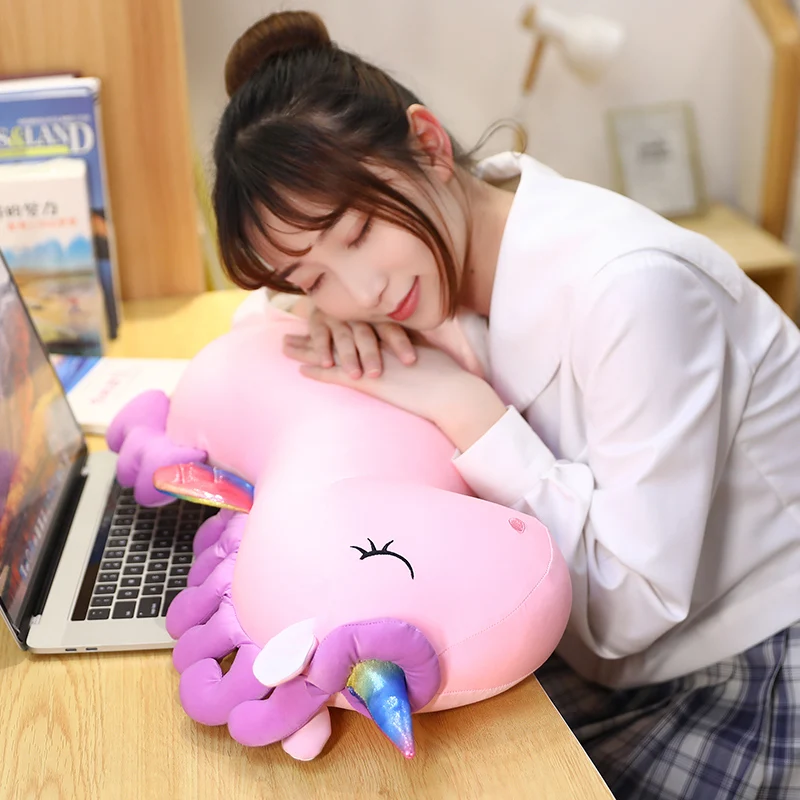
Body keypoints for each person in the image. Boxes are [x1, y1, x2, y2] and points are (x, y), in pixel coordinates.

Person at [211, 10, 800, 799]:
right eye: (313, 275)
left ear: (429, 144)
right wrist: (317, 311)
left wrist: (462, 406)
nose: (364, 290)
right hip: (595, 652)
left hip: (742, 665)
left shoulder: (633, 289)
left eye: (357, 232)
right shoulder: (440, 258)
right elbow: (258, 320)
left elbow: (633, 611)